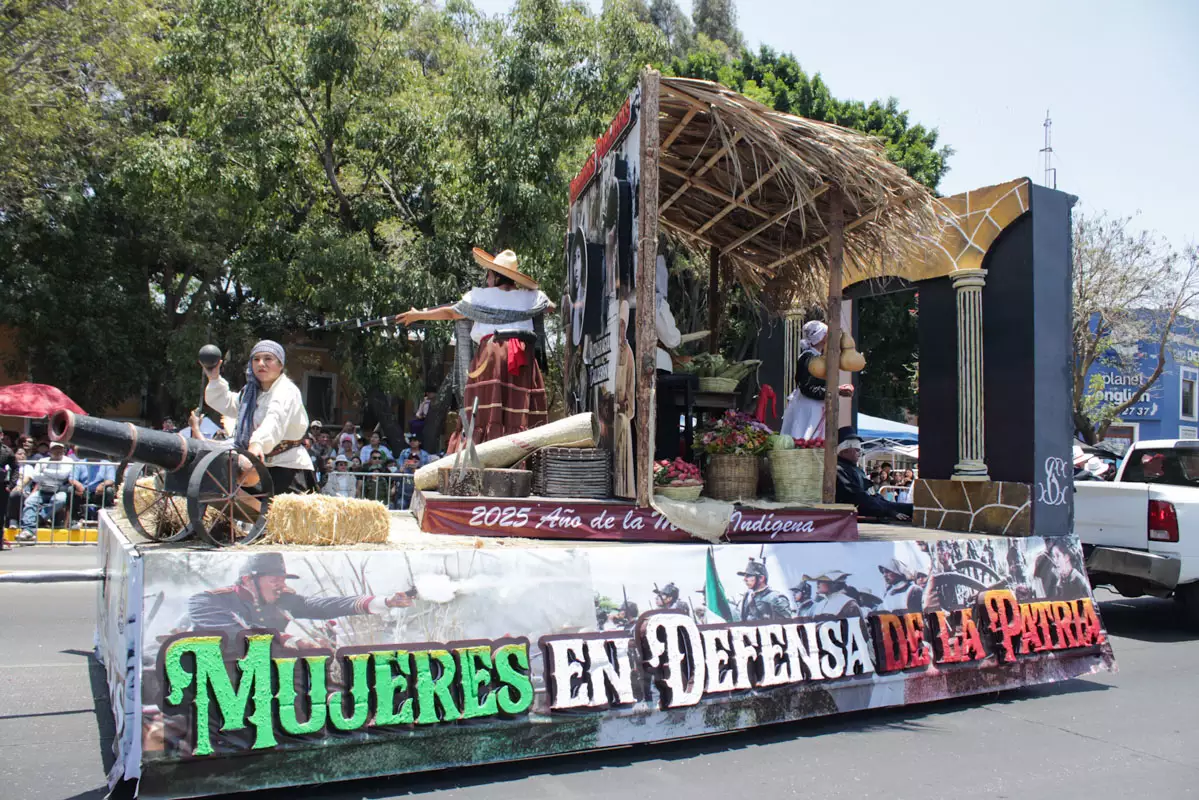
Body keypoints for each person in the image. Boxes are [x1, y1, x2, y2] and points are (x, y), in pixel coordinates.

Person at [397, 248, 551, 450]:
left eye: (489, 274)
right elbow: (550, 306)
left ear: (496, 276)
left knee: (486, 410)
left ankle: (487, 449)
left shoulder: (479, 296)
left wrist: (418, 315)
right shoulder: (531, 297)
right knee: (517, 407)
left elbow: (451, 313)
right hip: (523, 355)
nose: (487, 279)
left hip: (493, 353)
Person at [188, 553, 413, 646]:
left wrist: (384, 601)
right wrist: (290, 641)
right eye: (274, 580)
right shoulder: (207, 602)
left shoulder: (281, 600)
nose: (281, 586)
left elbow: (322, 607)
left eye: (282, 580)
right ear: (248, 580)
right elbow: (239, 633)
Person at [203, 340, 315, 494]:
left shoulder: (287, 391)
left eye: (268, 358)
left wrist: (258, 443)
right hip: (254, 466)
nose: (261, 363)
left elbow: (275, 419)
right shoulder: (250, 392)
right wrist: (214, 378)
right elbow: (228, 403)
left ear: (280, 364)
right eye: (256, 359)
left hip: (288, 470)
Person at [780, 321, 853, 441]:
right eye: (826, 333)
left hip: (815, 406)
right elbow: (807, 387)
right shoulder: (809, 357)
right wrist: (835, 391)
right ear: (821, 337)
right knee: (806, 439)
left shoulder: (816, 357)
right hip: (809, 408)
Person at [835, 427, 912, 521]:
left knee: (912, 508)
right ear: (844, 450)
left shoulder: (855, 469)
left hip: (873, 505)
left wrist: (882, 503)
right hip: (860, 511)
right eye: (857, 450)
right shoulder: (839, 470)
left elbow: (869, 495)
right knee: (909, 509)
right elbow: (858, 498)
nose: (860, 452)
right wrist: (888, 511)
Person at [18, 441, 74, 541]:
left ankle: (39, 518)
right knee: (30, 501)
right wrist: (54, 475)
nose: (58, 451)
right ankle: (28, 530)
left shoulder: (68, 460)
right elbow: (35, 476)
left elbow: (63, 475)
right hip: (43, 490)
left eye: (60, 449)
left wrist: (44, 471)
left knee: (59, 500)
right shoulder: (42, 460)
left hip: (59, 490)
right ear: (50, 450)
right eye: (55, 449)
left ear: (63, 450)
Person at [72, 454, 117, 522]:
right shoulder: (79, 463)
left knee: (109, 490)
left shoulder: (107, 464)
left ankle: (107, 519)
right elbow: (72, 478)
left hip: (99, 493)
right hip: (83, 492)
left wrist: (102, 484)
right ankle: (74, 519)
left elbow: (111, 480)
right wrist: (78, 485)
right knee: (71, 489)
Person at [396, 436, 432, 510]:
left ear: (420, 442)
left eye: (415, 440)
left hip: (419, 484)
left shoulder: (425, 454)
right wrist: (404, 466)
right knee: (401, 504)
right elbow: (400, 467)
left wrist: (418, 467)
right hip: (405, 486)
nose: (412, 442)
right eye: (411, 440)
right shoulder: (404, 452)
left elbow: (428, 469)